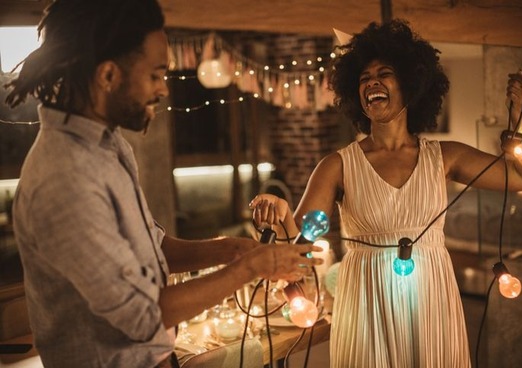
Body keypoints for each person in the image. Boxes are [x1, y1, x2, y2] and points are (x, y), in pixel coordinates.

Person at [4, 1, 323, 367]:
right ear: (108, 76)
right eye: (156, 74)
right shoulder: (67, 178)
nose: (165, 89)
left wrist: (235, 251)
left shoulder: (110, 147)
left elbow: (154, 248)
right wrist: (251, 269)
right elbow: (142, 317)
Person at [250, 19, 522, 368]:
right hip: (365, 302)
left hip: (431, 298)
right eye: (363, 78)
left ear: (409, 84)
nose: (372, 81)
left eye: (384, 73)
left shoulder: (444, 156)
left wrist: (520, 117)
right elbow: (294, 248)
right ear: (354, 95)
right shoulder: (337, 165)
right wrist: (277, 208)